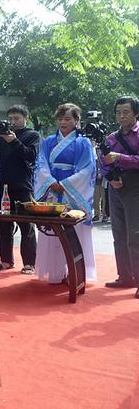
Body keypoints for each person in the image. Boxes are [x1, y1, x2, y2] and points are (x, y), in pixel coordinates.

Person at [34, 103, 96, 284]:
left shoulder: (83, 142)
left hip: (72, 192)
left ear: (77, 121)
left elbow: (88, 169)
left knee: (73, 233)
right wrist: (51, 182)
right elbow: (41, 164)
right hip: (52, 188)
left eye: (68, 119)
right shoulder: (48, 142)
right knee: (52, 233)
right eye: (60, 119)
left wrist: (66, 184)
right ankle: (55, 271)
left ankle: (73, 273)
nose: (63, 122)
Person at [0, 104, 40, 274]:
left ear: (26, 118)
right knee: (3, 225)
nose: (13, 122)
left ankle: (30, 263)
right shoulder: (0, 136)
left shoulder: (32, 135)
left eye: (17, 118)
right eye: (10, 119)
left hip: (22, 185)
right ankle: (6, 260)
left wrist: (14, 141)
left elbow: (31, 156)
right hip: (2, 185)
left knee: (26, 225)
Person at [100, 97, 139, 297]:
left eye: (126, 112)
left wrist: (120, 157)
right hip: (115, 187)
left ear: (136, 113)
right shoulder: (111, 137)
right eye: (118, 112)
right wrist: (110, 177)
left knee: (136, 234)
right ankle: (125, 276)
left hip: (135, 186)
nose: (121, 116)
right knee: (119, 234)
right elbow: (103, 161)